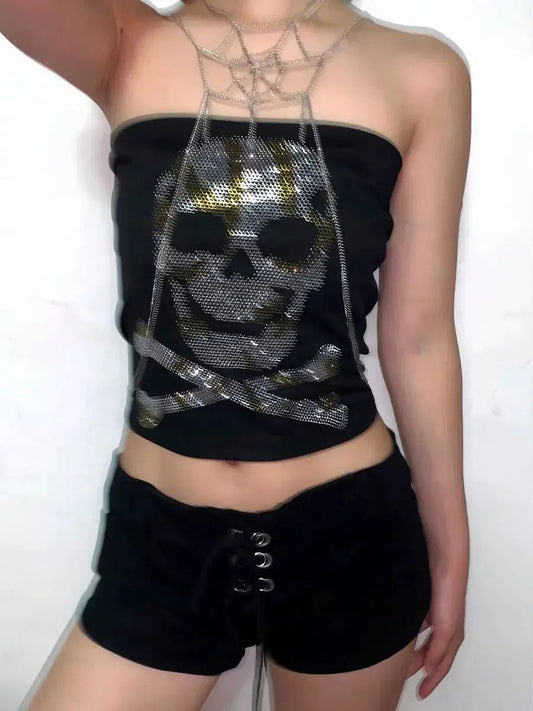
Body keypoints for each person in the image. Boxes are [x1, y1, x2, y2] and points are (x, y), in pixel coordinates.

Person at [1, 0, 471, 709]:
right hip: (160, 545)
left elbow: (420, 336)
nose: (239, 272)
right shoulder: (126, 41)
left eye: (284, 244)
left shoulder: (422, 73)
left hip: (351, 535)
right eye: (199, 236)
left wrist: (451, 548)